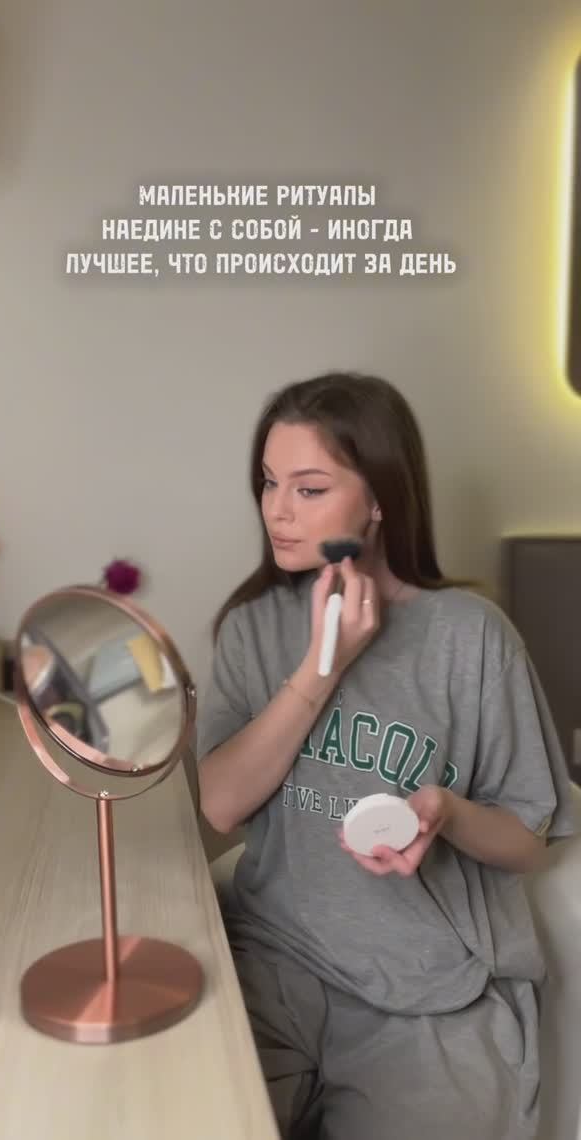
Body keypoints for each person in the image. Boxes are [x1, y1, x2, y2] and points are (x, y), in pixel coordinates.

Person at [196, 371, 576, 1140]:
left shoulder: (471, 636)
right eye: (268, 482)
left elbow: (528, 841)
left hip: (429, 999)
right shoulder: (253, 628)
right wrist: (323, 666)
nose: (276, 509)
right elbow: (220, 804)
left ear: (378, 500)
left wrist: (448, 813)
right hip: (274, 969)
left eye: (309, 488)